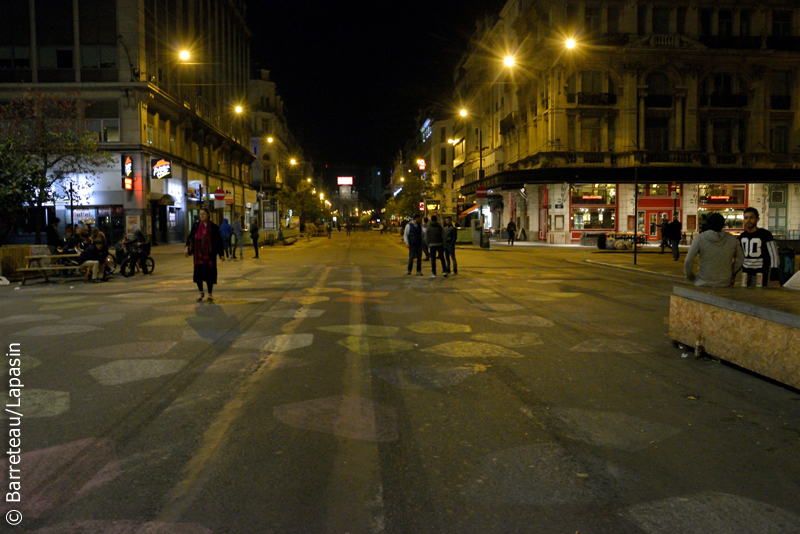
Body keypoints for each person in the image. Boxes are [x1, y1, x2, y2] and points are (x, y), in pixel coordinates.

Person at [684, 212, 744, 287]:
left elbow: (688, 260)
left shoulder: (700, 238)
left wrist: (690, 276)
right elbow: (740, 258)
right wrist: (730, 271)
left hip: (703, 281)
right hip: (724, 282)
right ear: (723, 224)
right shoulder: (732, 239)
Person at [186, 207, 225, 302]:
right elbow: (190, 237)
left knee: (209, 275)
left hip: (210, 256)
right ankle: (200, 292)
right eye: (200, 214)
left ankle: (210, 294)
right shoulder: (196, 226)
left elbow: (218, 241)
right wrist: (187, 248)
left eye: (203, 214)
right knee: (198, 274)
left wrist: (221, 254)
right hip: (198, 255)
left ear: (208, 215)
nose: (202, 216)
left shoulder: (214, 227)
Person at [738, 207, 781, 287]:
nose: (748, 220)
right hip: (745, 272)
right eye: (746, 218)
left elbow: (774, 254)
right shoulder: (742, 236)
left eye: (751, 217)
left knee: (758, 295)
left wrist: (774, 273)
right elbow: (740, 256)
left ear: (757, 219)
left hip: (760, 272)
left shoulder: (765, 234)